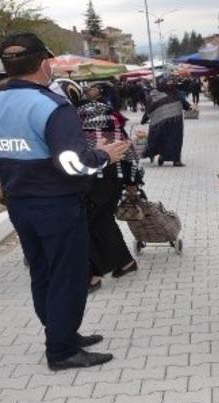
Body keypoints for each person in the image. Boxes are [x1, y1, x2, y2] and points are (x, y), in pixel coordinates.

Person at [0, 33, 129, 371]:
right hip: (57, 204)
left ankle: (61, 332)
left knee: (43, 271)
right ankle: (61, 350)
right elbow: (72, 163)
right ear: (44, 63)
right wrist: (105, 155)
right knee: (68, 274)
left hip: (19, 203)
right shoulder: (51, 106)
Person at [78, 85, 142, 293]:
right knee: (103, 222)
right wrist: (132, 185)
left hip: (93, 186)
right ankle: (125, 263)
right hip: (113, 184)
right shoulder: (116, 132)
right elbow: (132, 161)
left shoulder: (81, 137)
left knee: (88, 225)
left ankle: (94, 274)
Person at [142, 78, 191, 167]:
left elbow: (149, 108)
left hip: (161, 122)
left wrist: (144, 118)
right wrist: (190, 108)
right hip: (175, 122)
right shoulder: (176, 93)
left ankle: (164, 156)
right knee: (174, 141)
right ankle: (175, 160)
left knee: (162, 139)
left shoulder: (154, 94)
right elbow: (185, 104)